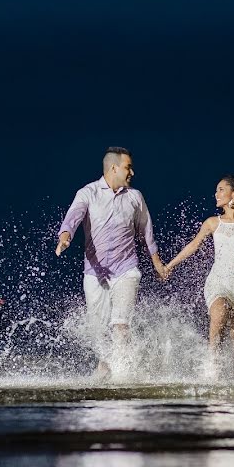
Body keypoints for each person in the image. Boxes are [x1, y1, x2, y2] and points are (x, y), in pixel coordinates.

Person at [55, 147, 166, 378]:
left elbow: (147, 231)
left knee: (120, 324)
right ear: (113, 168)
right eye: (128, 167)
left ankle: (123, 374)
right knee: (98, 329)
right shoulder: (88, 193)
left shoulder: (135, 197)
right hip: (95, 273)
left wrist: (156, 262)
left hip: (126, 270)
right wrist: (65, 237)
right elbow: (72, 218)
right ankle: (105, 367)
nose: (132, 172)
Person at [166, 175, 234, 375]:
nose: (216, 194)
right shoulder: (212, 222)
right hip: (218, 280)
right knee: (219, 311)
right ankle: (212, 366)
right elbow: (193, 245)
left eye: (221, 190)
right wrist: (170, 265)